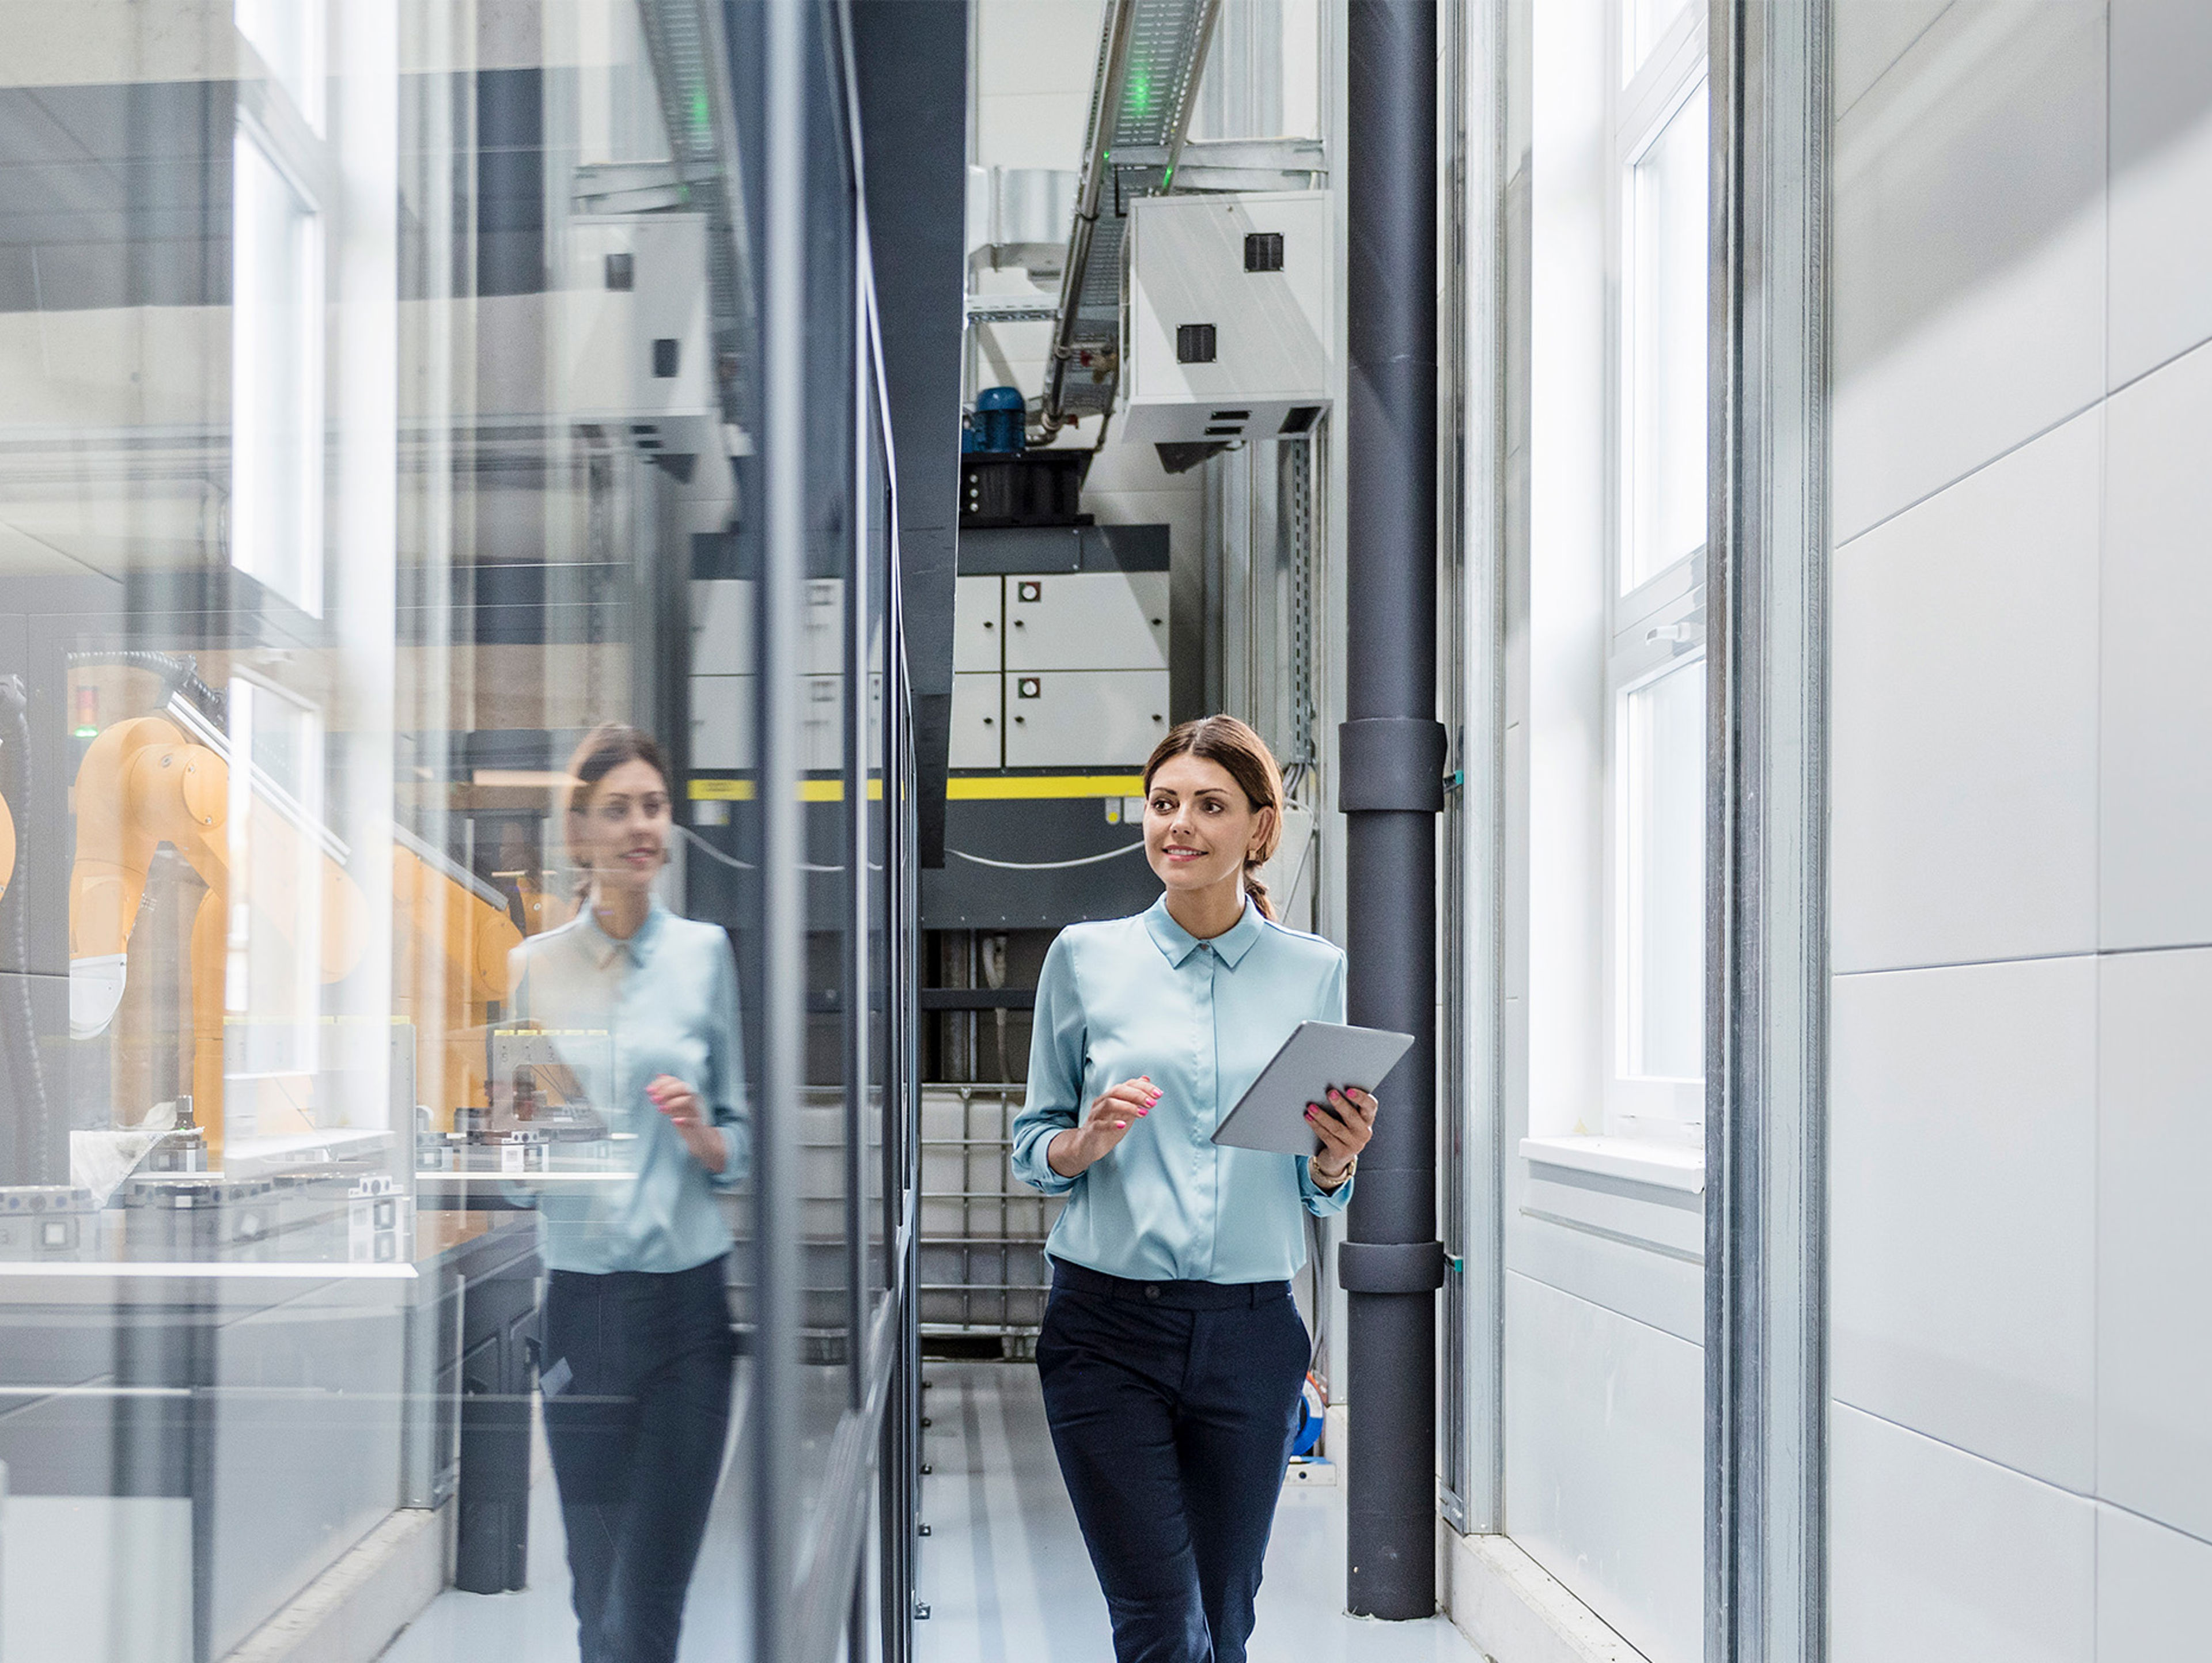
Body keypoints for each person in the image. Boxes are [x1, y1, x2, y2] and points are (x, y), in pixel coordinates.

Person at [1010, 715, 1380, 1663]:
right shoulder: (1085, 959)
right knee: (1160, 1623)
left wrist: (1338, 1159)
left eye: (1209, 806)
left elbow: (1316, 1181)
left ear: (1259, 828)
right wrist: (1082, 1143)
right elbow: (1031, 1142)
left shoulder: (1315, 970)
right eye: (1164, 803)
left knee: (1225, 1620)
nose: (1179, 825)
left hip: (1251, 1335)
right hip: (1105, 1332)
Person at [509, 722, 748, 1663]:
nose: (642, 826)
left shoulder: (706, 956)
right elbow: (530, 1152)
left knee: (648, 1608)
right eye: (619, 810)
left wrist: (702, 1135)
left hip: (689, 1316)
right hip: (582, 1313)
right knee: (595, 1601)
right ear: (578, 834)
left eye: (653, 807)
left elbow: (740, 1143)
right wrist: (516, 1139)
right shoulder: (529, 969)